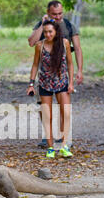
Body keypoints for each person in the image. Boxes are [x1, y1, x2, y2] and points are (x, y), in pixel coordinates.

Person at [28, 0, 83, 148]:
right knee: (44, 108)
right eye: (54, 14)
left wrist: (79, 71)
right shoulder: (42, 27)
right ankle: (49, 137)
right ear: (48, 12)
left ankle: (62, 137)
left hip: (61, 76)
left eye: (60, 13)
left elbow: (77, 49)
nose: (58, 17)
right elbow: (32, 42)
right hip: (44, 76)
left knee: (64, 108)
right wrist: (42, 24)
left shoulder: (69, 26)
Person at [27, 20, 74, 158]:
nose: (48, 34)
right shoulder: (39, 46)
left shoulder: (64, 43)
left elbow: (70, 64)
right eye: (45, 32)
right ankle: (51, 147)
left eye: (50, 32)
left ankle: (64, 145)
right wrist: (31, 84)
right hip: (44, 83)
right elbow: (35, 65)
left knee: (65, 113)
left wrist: (71, 82)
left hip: (61, 82)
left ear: (56, 32)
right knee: (47, 115)